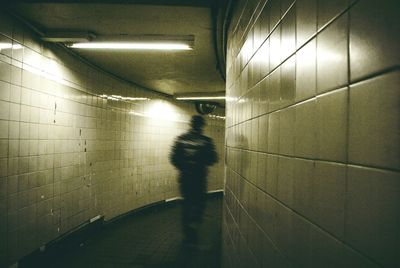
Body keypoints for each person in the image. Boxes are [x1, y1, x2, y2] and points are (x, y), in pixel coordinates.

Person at [170, 115, 218, 245]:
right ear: (202, 126)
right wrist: (201, 163)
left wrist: (185, 168)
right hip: (199, 178)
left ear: (191, 124)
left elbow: (173, 159)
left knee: (186, 203)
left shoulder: (180, 140)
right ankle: (195, 223)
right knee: (200, 202)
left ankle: (187, 231)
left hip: (185, 178)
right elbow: (213, 158)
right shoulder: (206, 141)